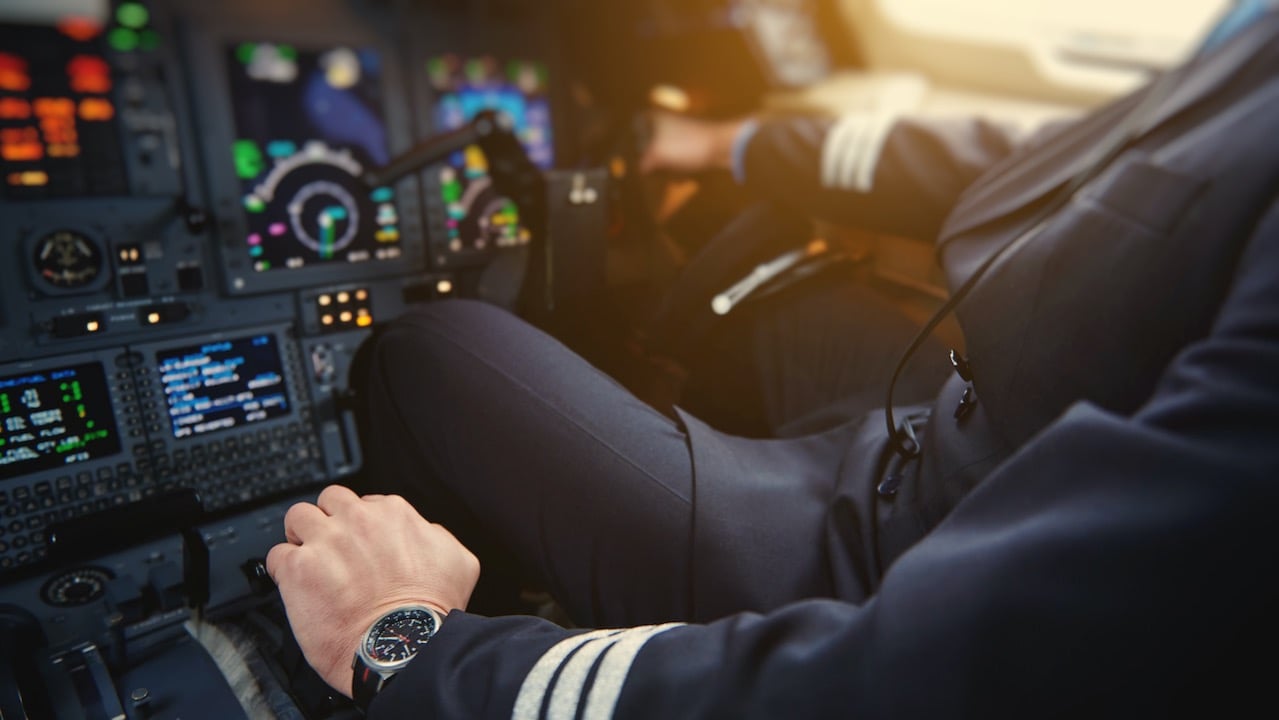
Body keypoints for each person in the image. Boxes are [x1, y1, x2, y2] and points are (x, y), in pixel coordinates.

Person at [266, 3, 1279, 717]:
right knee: (764, 307)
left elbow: (968, 672)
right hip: (975, 447)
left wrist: (415, 649)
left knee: (430, 348)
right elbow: (1052, 157)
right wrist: (733, 144)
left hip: (921, 570)